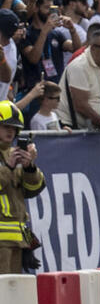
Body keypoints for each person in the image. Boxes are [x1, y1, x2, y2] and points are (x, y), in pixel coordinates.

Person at [0, 100, 45, 274]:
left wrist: (29, 167)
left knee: (13, 295)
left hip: (17, 241)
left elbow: (33, 190)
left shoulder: (15, 153)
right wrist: (9, 168)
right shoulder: (11, 160)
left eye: (14, 128)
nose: (11, 131)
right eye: (5, 127)